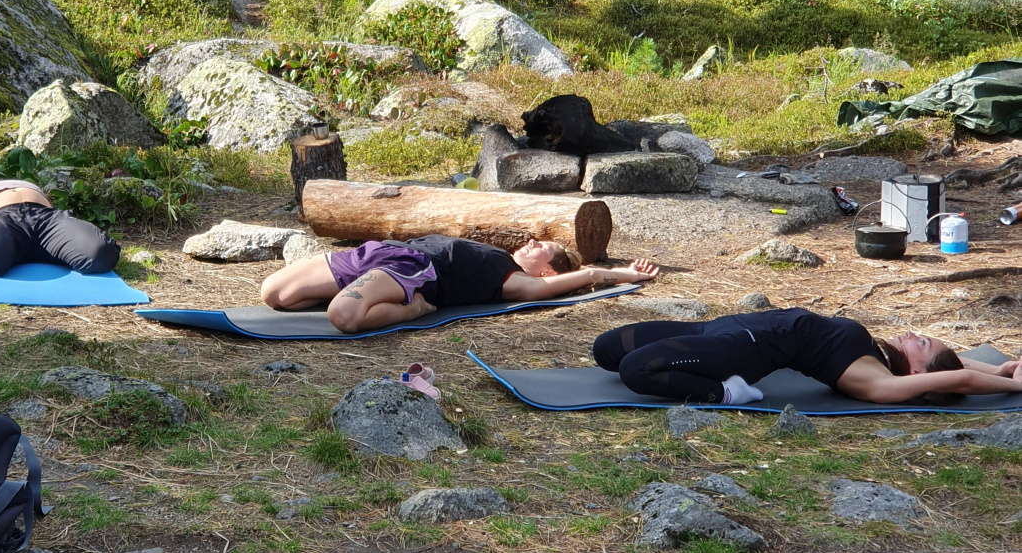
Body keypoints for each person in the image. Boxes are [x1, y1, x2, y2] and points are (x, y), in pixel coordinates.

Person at [594, 305, 1022, 405]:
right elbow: (958, 364)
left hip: (737, 352)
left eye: (922, 343)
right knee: (607, 349)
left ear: (916, 371)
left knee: (636, 369)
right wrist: (1001, 366)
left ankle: (727, 394)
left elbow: (956, 378)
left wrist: (1015, 386)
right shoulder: (884, 353)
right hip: (718, 326)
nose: (914, 335)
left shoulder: (875, 378)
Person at [261, 234, 660, 334]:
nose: (534, 242)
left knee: (343, 315)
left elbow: (588, 275)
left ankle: (411, 308)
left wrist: (623, 274)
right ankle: (366, 293)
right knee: (273, 294)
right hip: (378, 253)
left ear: (549, 272)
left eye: (545, 247)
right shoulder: (501, 256)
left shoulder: (517, 281)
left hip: (413, 268)